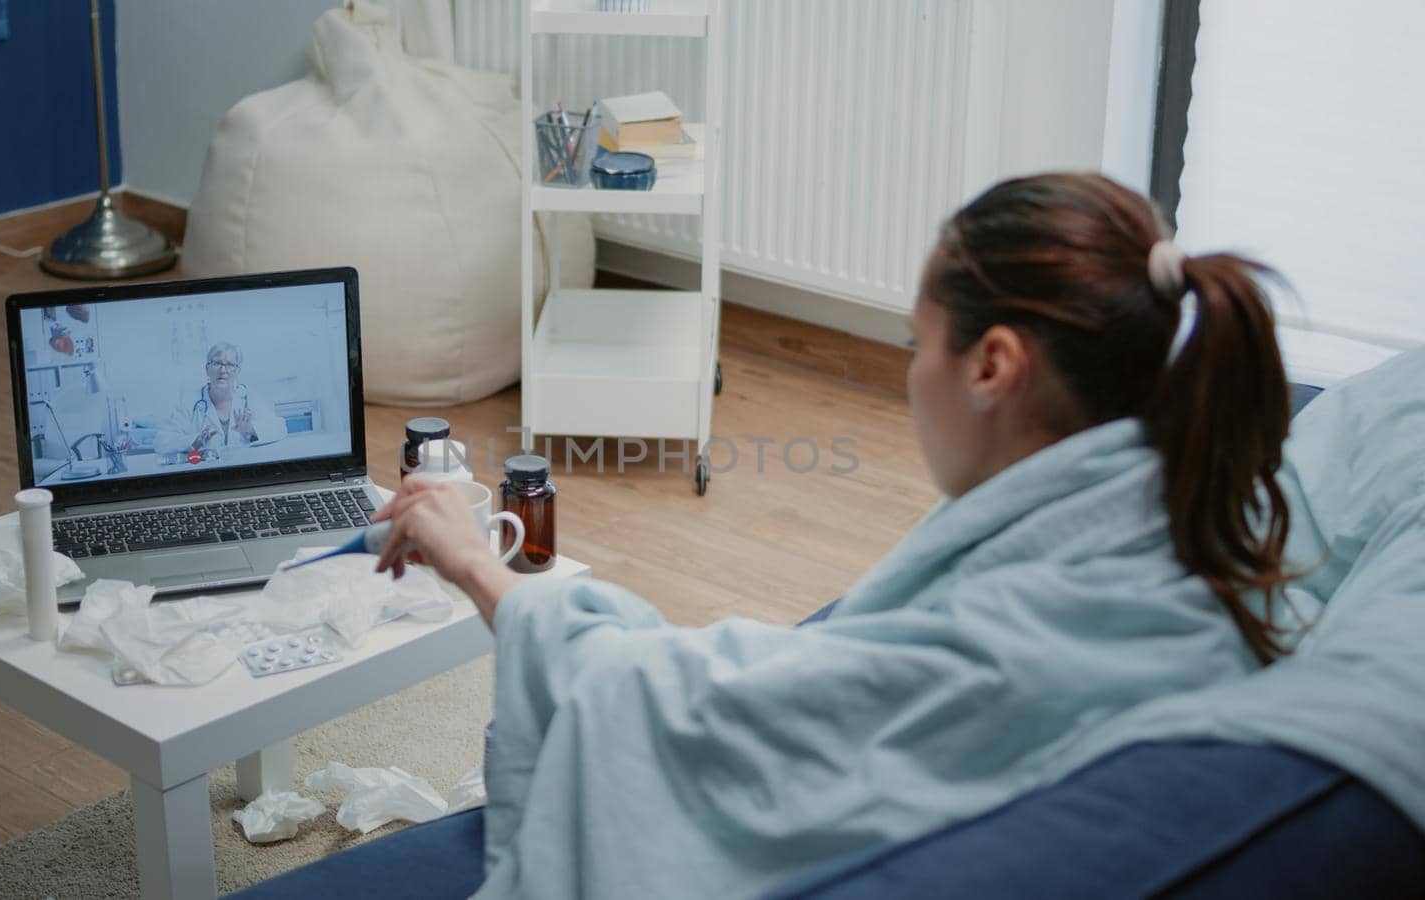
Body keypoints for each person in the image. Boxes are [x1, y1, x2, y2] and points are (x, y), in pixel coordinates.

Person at [370, 173, 1298, 898]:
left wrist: (482, 570)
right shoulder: (1193, 517)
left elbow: (685, 713)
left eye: (912, 342)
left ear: (993, 365)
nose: (909, 373)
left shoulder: (1008, 649)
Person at [155, 342, 287, 456]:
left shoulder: (248, 397)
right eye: (217, 363)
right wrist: (197, 440)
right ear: (207, 369)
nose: (223, 370)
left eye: (229, 364)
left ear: (237, 371)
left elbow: (280, 428)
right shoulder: (191, 402)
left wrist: (251, 429)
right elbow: (161, 442)